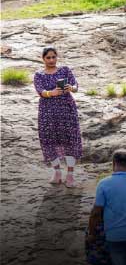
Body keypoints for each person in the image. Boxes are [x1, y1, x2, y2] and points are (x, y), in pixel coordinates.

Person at [33, 47, 82, 187]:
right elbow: (40, 91)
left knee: (69, 140)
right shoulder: (39, 75)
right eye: (48, 58)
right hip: (47, 112)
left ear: (57, 57)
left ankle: (70, 175)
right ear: (43, 58)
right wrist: (51, 93)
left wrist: (70, 88)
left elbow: (76, 86)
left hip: (67, 110)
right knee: (49, 140)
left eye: (54, 57)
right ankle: (57, 172)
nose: (51, 60)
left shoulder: (65, 70)